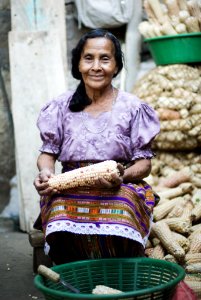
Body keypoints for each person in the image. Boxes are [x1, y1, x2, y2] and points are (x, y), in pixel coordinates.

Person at [33, 28, 160, 265]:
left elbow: (144, 164)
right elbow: (47, 153)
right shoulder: (61, 106)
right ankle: (73, 272)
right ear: (78, 64)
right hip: (72, 183)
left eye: (105, 58)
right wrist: (45, 172)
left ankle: (119, 272)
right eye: (88, 58)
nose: (96, 66)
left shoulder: (133, 107)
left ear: (116, 65)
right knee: (59, 207)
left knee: (122, 207)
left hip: (120, 184)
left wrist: (122, 176)